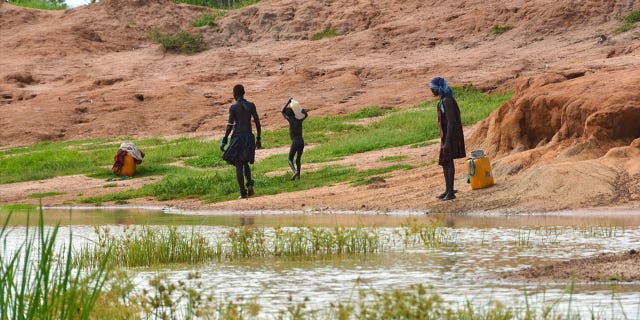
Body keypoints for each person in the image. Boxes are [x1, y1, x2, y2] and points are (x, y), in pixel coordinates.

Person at [220, 84, 262, 199]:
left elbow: (230, 125)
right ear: (244, 92)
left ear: (234, 94)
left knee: (238, 164)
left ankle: (243, 193)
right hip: (249, 136)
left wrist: (224, 139)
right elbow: (257, 123)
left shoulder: (233, 107)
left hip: (238, 137)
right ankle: (249, 184)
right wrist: (258, 138)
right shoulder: (251, 105)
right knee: (245, 162)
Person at [429, 77, 466, 201]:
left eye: (432, 88)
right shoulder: (443, 100)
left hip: (451, 135)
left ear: (438, 88)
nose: (431, 90)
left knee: (448, 161)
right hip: (446, 135)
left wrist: (448, 141)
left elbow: (451, 121)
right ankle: (447, 190)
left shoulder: (447, 101)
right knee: (446, 162)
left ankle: (451, 192)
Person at [281, 98, 308, 180]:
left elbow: (282, 111)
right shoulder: (299, 120)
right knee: (298, 159)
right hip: (301, 141)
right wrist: (303, 112)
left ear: (288, 115)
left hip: (295, 141)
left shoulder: (290, 120)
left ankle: (295, 171)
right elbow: (306, 115)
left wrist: (288, 102)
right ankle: (298, 176)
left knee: (290, 159)